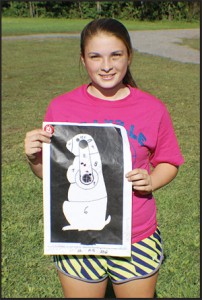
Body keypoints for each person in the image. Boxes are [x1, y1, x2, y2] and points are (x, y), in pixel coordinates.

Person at [24, 18, 184, 298]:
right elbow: (51, 174)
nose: (106, 65)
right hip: (76, 238)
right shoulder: (61, 107)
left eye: (116, 55)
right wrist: (34, 157)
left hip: (136, 235)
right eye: (95, 56)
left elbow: (169, 161)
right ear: (83, 60)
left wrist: (151, 180)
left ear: (129, 56)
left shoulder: (152, 108)